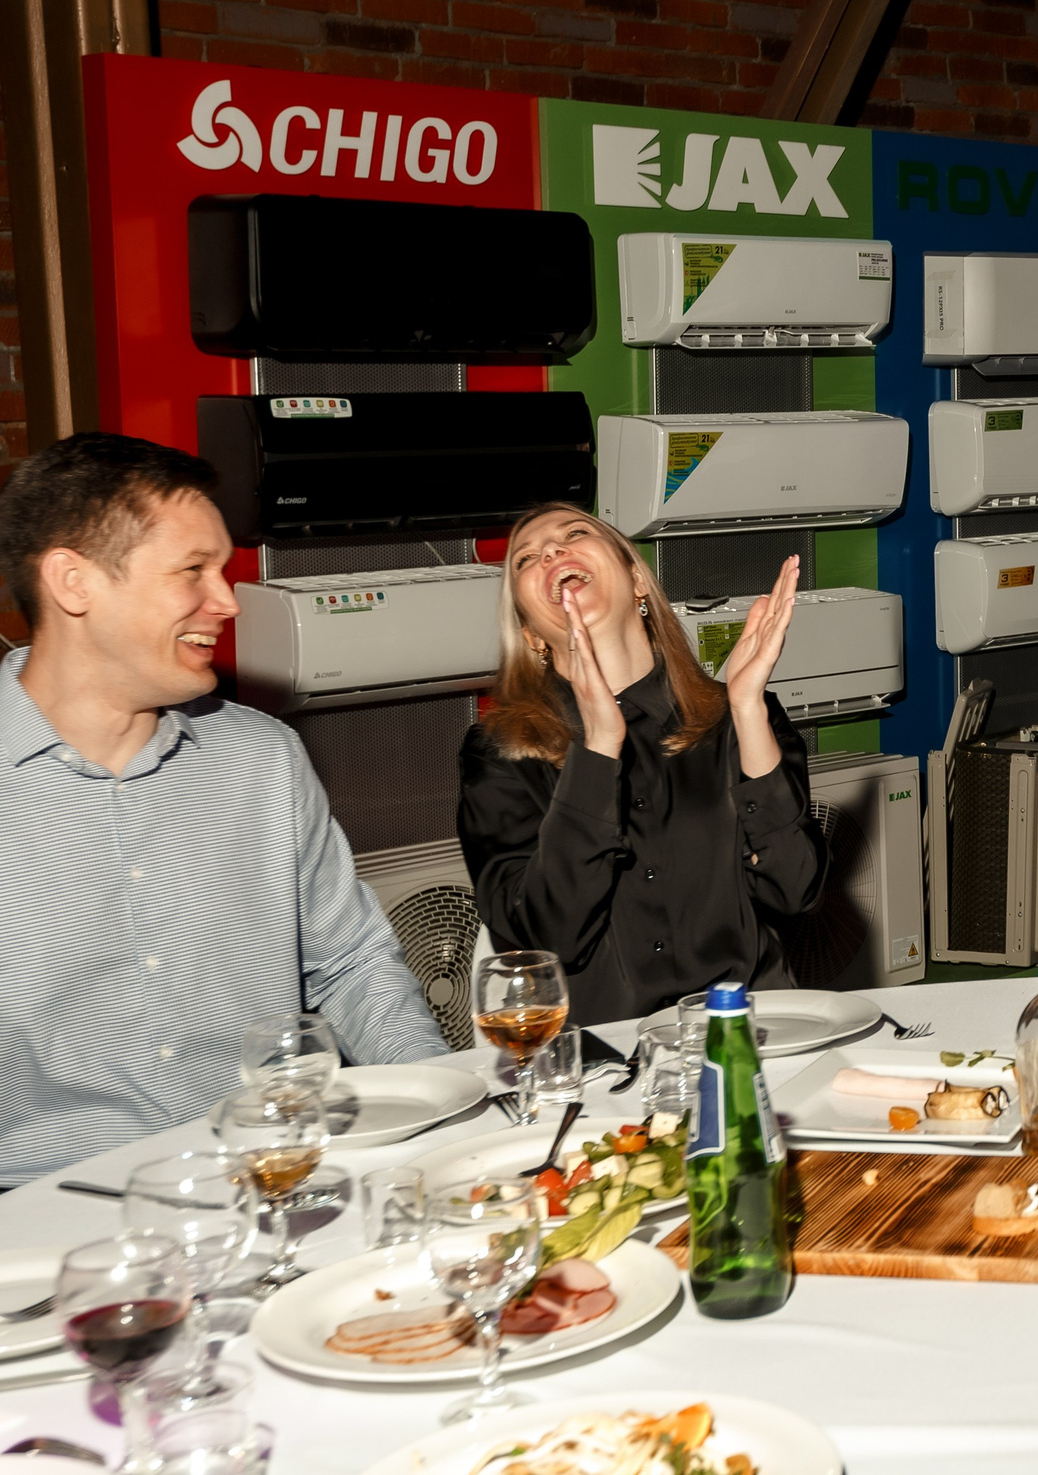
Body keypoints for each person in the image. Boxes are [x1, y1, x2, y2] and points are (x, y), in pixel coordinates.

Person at [0, 434, 444, 1186]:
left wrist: (442, 1103)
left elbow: (352, 963)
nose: (227, 602)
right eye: (193, 572)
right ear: (73, 583)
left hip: (279, 1174)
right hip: (51, 1222)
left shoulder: (262, 757)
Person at [457, 505, 827, 1024]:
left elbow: (795, 890)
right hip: (604, 1066)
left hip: (749, 1032)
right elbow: (547, 939)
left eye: (575, 535)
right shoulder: (498, 753)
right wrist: (598, 750)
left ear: (636, 581)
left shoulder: (740, 715)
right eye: (527, 559)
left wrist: (746, 710)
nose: (553, 553)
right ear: (532, 636)